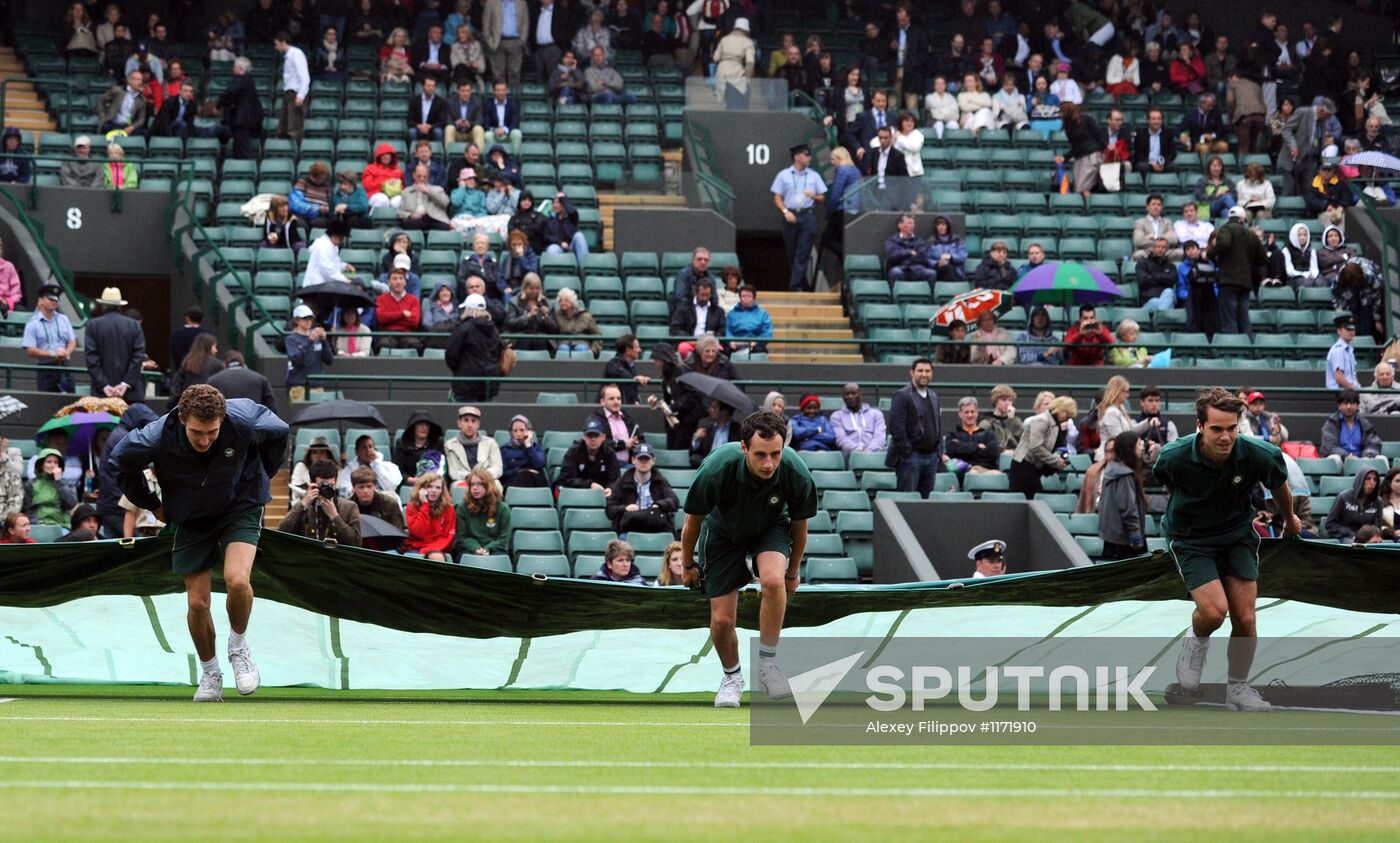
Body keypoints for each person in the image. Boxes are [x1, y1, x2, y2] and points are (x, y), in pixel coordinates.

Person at [109, 384, 288, 702]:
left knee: (237, 580)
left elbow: (279, 433)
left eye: (212, 432)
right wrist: (151, 503)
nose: (205, 440)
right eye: (196, 433)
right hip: (190, 514)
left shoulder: (244, 419)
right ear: (181, 418)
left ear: (222, 420)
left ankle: (238, 648)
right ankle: (210, 674)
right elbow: (121, 462)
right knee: (197, 603)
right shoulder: (154, 435)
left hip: (240, 505)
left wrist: (256, 473)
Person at [1154, 388, 1300, 712]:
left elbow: (1279, 485)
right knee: (1214, 612)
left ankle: (1238, 688)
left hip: (1237, 535)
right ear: (1200, 426)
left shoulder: (1259, 454)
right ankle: (1196, 641)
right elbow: (1167, 480)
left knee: (1246, 619)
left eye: (1231, 428)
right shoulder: (1172, 456)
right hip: (1190, 538)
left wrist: (1290, 519)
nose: (1225, 436)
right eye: (1217, 429)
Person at [680, 410, 817, 707]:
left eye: (775, 454)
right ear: (744, 448)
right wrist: (688, 564)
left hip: (769, 528)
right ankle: (732, 678)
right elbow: (692, 521)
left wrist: (792, 573)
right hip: (722, 534)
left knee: (772, 580)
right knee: (722, 619)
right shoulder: (717, 468)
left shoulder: (795, 471)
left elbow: (799, 527)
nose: (769, 463)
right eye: (760, 455)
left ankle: (768, 666)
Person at [771, 143, 826, 292]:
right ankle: (803, 285)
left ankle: (794, 286)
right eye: (806, 155)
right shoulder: (784, 175)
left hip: (807, 215)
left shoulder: (814, 175)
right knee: (792, 252)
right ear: (797, 157)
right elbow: (777, 197)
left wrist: (813, 195)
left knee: (802, 252)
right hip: (790, 214)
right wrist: (785, 212)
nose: (809, 158)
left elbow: (822, 197)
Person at [886, 358, 942, 497]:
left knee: (925, 505)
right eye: (920, 370)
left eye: (928, 371)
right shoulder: (902, 395)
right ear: (912, 372)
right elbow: (896, 428)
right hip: (911, 458)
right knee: (907, 501)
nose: (924, 374)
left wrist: (938, 453)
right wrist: (908, 452)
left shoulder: (934, 396)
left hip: (931, 458)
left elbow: (938, 426)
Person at [1208, 207, 1265, 338]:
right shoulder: (1251, 234)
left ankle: (1232, 348)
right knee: (1243, 317)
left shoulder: (1226, 229)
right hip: (1245, 282)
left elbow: (1224, 244)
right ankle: (1247, 348)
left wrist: (1210, 252)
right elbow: (1262, 259)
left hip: (1228, 280)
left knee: (1229, 318)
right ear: (1243, 219)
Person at [278, 458, 362, 545]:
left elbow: (356, 543)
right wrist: (303, 505)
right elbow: (282, 532)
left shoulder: (349, 507)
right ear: (312, 483)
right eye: (323, 485)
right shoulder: (304, 507)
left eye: (331, 485)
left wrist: (335, 516)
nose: (327, 489)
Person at [84, 287, 147, 400]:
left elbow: (91, 358)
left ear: (103, 305)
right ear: (120, 305)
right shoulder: (134, 325)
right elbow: (138, 356)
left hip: (101, 394)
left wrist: (103, 385)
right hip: (130, 394)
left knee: (103, 419)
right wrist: (125, 383)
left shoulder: (93, 325)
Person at [1009, 396, 1076, 499]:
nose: (1068, 418)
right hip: (1023, 467)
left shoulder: (1056, 425)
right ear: (1062, 411)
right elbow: (1035, 446)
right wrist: (1055, 461)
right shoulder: (1042, 420)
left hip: (1034, 468)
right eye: (1068, 415)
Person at [606, 442, 679, 534]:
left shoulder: (660, 481)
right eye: (640, 459)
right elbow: (610, 509)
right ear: (633, 460)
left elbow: (674, 502)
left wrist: (659, 504)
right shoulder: (622, 482)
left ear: (653, 461)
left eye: (647, 459)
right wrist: (625, 508)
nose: (643, 462)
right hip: (629, 530)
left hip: (656, 528)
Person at [1099, 430, 1149, 560]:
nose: (1141, 448)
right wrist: (1135, 534)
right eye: (1139, 444)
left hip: (1113, 538)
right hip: (1125, 541)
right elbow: (1128, 507)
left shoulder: (1112, 469)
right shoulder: (1124, 474)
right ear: (1130, 448)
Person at [446, 293, 504, 402]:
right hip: (489, 383)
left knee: (466, 416)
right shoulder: (494, 330)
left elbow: (451, 355)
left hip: (466, 384)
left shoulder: (464, 328)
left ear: (468, 309)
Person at [22, 284, 77, 393]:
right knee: (47, 403)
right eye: (50, 299)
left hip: (64, 366)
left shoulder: (64, 319)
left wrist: (67, 352)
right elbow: (30, 350)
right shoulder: (33, 324)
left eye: (56, 299)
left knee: (70, 401)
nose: (54, 301)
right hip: (46, 368)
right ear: (41, 300)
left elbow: (72, 341)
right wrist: (52, 354)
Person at [454, 466, 511, 557]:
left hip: (495, 549)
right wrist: (475, 548)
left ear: (489, 486)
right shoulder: (462, 507)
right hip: (468, 549)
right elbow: (462, 537)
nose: (475, 488)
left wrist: (488, 548)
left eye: (479, 484)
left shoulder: (503, 509)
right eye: (472, 484)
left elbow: (503, 538)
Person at [444, 405, 503, 487]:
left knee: (496, 485)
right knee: (457, 487)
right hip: (463, 480)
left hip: (485, 480)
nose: (470, 425)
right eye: (466, 420)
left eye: (473, 421)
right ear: (459, 423)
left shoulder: (490, 443)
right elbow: (453, 472)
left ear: (478, 424)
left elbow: (497, 469)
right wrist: (470, 477)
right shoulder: (450, 445)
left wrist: (480, 477)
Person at [216, 56, 263, 160]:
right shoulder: (248, 80)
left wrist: (218, 105)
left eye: (234, 67)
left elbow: (230, 92)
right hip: (245, 119)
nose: (233, 69)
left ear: (240, 68)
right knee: (239, 149)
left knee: (241, 151)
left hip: (242, 120)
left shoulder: (242, 79)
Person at [1321, 390, 1383, 465]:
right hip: (1341, 461)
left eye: (1352, 403)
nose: (1349, 407)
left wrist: (1367, 457)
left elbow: (1373, 444)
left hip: (1362, 461)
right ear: (1339, 406)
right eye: (1345, 403)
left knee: (1382, 459)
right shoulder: (1331, 423)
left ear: (1358, 406)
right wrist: (1348, 456)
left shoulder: (1365, 424)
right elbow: (1329, 447)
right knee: (1334, 458)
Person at [403, 472, 456, 561]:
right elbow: (419, 533)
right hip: (416, 548)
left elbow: (448, 537)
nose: (434, 490)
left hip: (438, 548)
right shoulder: (412, 506)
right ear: (421, 489)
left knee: (436, 557)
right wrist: (425, 505)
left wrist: (428, 550)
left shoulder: (448, 509)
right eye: (430, 486)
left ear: (442, 490)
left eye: (438, 487)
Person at [559, 417, 620, 492]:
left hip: (603, 494)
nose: (593, 439)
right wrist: (590, 485)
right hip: (576, 492)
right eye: (589, 435)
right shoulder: (574, 452)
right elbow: (567, 478)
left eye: (596, 435)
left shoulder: (609, 453)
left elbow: (615, 478)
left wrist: (610, 488)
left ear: (603, 437)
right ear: (584, 437)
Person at [1325, 466, 1383, 544]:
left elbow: (1377, 527)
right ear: (1360, 480)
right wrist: (1351, 534)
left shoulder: (1378, 502)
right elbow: (1330, 524)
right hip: (1346, 538)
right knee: (1353, 544)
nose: (1372, 483)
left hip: (1369, 539)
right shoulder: (1343, 497)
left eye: (1375, 480)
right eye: (1368, 478)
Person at [23, 448, 78, 528]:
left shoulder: (67, 484)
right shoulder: (30, 484)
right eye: (49, 462)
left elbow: (71, 504)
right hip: (39, 525)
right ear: (41, 465)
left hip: (62, 525)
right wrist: (36, 523)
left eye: (56, 462)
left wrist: (59, 482)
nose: (53, 465)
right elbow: (27, 510)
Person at [828, 383, 885, 457]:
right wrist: (858, 451)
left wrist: (868, 452)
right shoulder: (836, 416)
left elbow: (879, 438)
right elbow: (841, 439)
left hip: (873, 455)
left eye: (854, 393)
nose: (850, 396)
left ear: (860, 395)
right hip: (850, 456)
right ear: (842, 397)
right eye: (847, 394)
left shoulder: (876, 414)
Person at [946, 397, 1000, 474]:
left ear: (977, 413)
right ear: (960, 414)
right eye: (966, 412)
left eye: (972, 412)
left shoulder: (988, 434)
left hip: (987, 470)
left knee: (998, 475)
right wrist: (977, 447)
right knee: (972, 473)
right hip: (963, 472)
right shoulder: (953, 434)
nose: (970, 415)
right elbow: (951, 450)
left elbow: (993, 453)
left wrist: (961, 447)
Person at [272, 31, 309, 143]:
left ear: (283, 43)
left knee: (294, 126)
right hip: (289, 93)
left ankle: (295, 151)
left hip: (295, 93)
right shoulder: (288, 57)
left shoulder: (296, 54)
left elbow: (304, 76)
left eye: (277, 44)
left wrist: (301, 95)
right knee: (284, 125)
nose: (276, 47)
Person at [336, 434, 403, 496]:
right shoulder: (349, 469)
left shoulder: (389, 466)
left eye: (370, 447)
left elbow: (391, 486)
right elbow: (345, 490)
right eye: (364, 448)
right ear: (357, 451)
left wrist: (376, 463)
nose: (368, 450)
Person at [168, 333, 224, 404]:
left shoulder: (187, 362)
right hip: (209, 404)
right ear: (208, 346)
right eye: (214, 346)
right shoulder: (217, 364)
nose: (216, 350)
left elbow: (176, 386)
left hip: (189, 404)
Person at [393, 411, 445, 486]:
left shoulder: (437, 444)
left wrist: (430, 479)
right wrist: (410, 480)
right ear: (413, 427)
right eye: (420, 424)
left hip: (432, 483)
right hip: (408, 484)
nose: (424, 427)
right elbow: (396, 469)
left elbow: (442, 467)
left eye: (426, 425)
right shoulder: (402, 444)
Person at [500, 414, 546, 488]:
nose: (518, 434)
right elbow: (502, 473)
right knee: (523, 475)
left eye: (522, 430)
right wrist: (519, 471)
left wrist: (528, 446)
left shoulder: (536, 448)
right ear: (511, 433)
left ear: (529, 431)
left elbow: (539, 465)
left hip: (534, 481)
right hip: (513, 482)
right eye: (515, 431)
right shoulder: (504, 450)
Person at [884, 214, 932, 283]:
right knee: (896, 273)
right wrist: (909, 252)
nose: (912, 226)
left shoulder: (920, 241)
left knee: (931, 273)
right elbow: (892, 256)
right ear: (900, 225)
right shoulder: (891, 241)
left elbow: (923, 257)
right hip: (899, 268)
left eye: (913, 223)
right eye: (909, 223)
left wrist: (902, 256)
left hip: (917, 269)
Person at [603, 334, 650, 405]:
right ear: (628, 350)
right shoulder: (613, 364)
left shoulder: (631, 366)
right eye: (637, 347)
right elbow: (619, 372)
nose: (640, 350)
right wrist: (633, 378)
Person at [1131, 108, 1177, 175]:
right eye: (1154, 119)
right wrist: (1151, 163)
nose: (1156, 121)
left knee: (1174, 167)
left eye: (1159, 119)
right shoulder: (1141, 134)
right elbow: (1138, 154)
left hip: (1163, 164)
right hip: (1147, 164)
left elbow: (1172, 153)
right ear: (1148, 120)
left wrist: (1162, 163)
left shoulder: (1168, 134)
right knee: (1142, 167)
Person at [1137, 238, 1179, 312]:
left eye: (1163, 247)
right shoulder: (1142, 263)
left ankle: (1161, 315)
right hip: (1148, 300)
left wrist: (1153, 276)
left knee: (1169, 291)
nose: (1160, 249)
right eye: (1157, 247)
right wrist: (1164, 278)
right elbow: (1143, 281)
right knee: (1156, 302)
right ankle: (1164, 317)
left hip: (1167, 297)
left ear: (1167, 249)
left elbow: (1172, 281)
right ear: (1153, 248)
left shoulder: (1171, 266)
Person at [669, 248, 714, 312]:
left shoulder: (711, 278)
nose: (703, 262)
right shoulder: (683, 275)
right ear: (693, 260)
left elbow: (714, 300)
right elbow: (680, 298)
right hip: (685, 313)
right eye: (699, 259)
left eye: (706, 260)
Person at [1326, 314, 1359, 391]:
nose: (1351, 332)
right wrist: (1354, 390)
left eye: (1353, 329)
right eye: (1348, 329)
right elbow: (1339, 377)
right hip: (1342, 392)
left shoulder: (1349, 350)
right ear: (1339, 331)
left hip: (1349, 391)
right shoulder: (1338, 350)